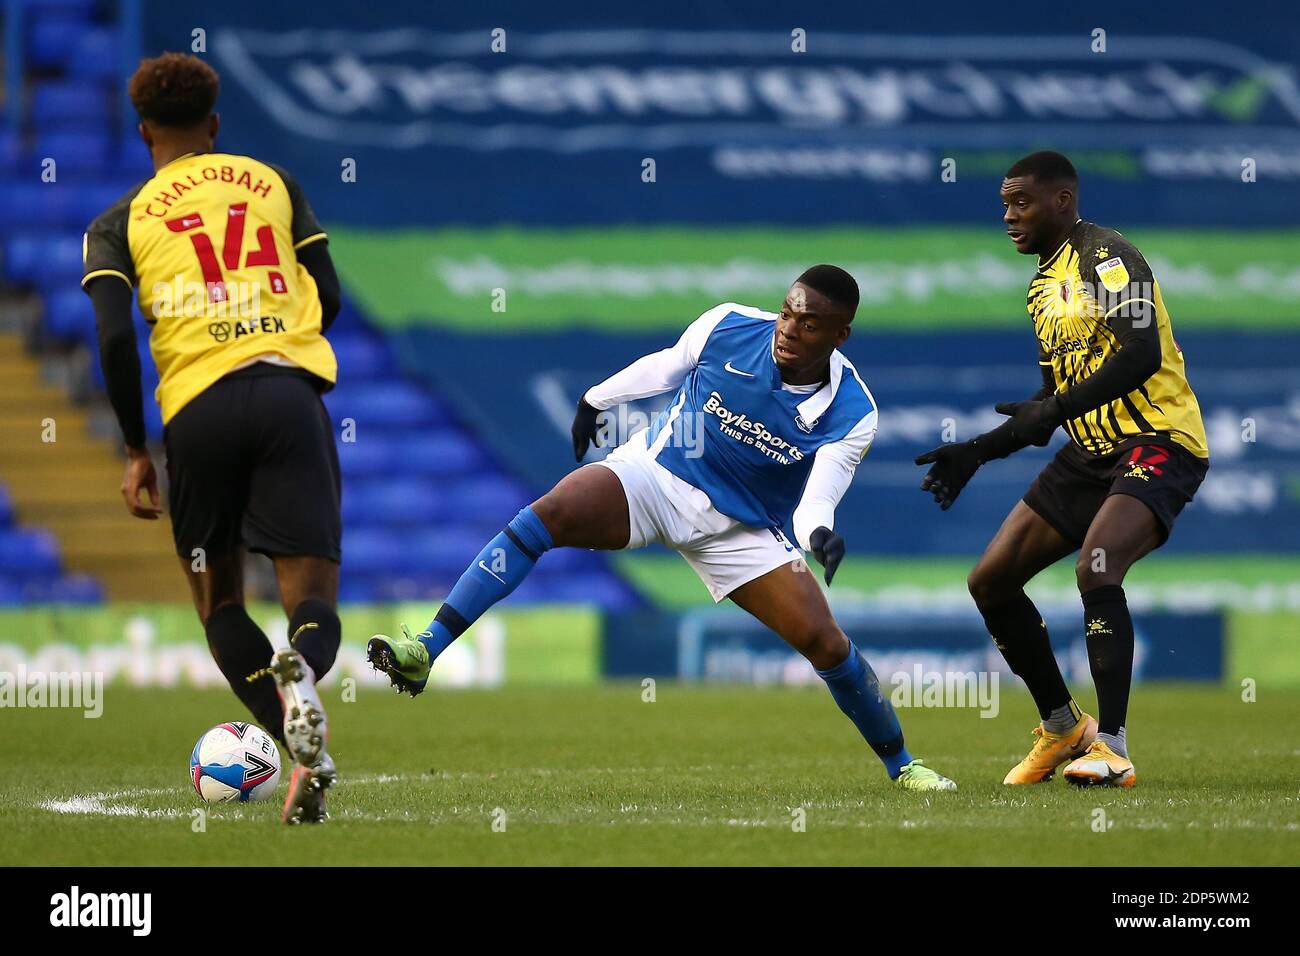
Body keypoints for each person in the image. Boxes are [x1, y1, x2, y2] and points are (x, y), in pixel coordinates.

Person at [370, 265, 957, 792]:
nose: (789, 329)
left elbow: (817, 499)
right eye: (787, 312)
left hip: (741, 531)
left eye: (808, 324)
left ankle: (902, 764)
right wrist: (596, 399)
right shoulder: (728, 325)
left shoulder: (855, 412)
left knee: (827, 644)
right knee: (547, 515)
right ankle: (425, 648)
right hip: (654, 477)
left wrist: (820, 534)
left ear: (839, 336)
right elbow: (669, 363)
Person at [81, 52, 344, 822]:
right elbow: (325, 293)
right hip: (286, 391)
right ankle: (302, 670)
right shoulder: (273, 184)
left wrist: (136, 447)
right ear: (215, 125)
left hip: (197, 410)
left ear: (144, 132)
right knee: (312, 599)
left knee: (222, 604)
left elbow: (112, 339)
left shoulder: (117, 221)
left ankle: (307, 755)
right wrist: (281, 338)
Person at [915, 151, 1210, 787]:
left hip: (1157, 440)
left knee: (1096, 564)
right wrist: (979, 450)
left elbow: (1139, 353)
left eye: (1021, 202)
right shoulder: (1041, 287)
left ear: (1063, 201)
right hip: (1088, 453)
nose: (1009, 216)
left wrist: (1049, 411)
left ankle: (1113, 746)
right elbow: (1051, 404)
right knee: (991, 581)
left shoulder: (1108, 256)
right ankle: (1061, 728)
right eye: (1003, 205)